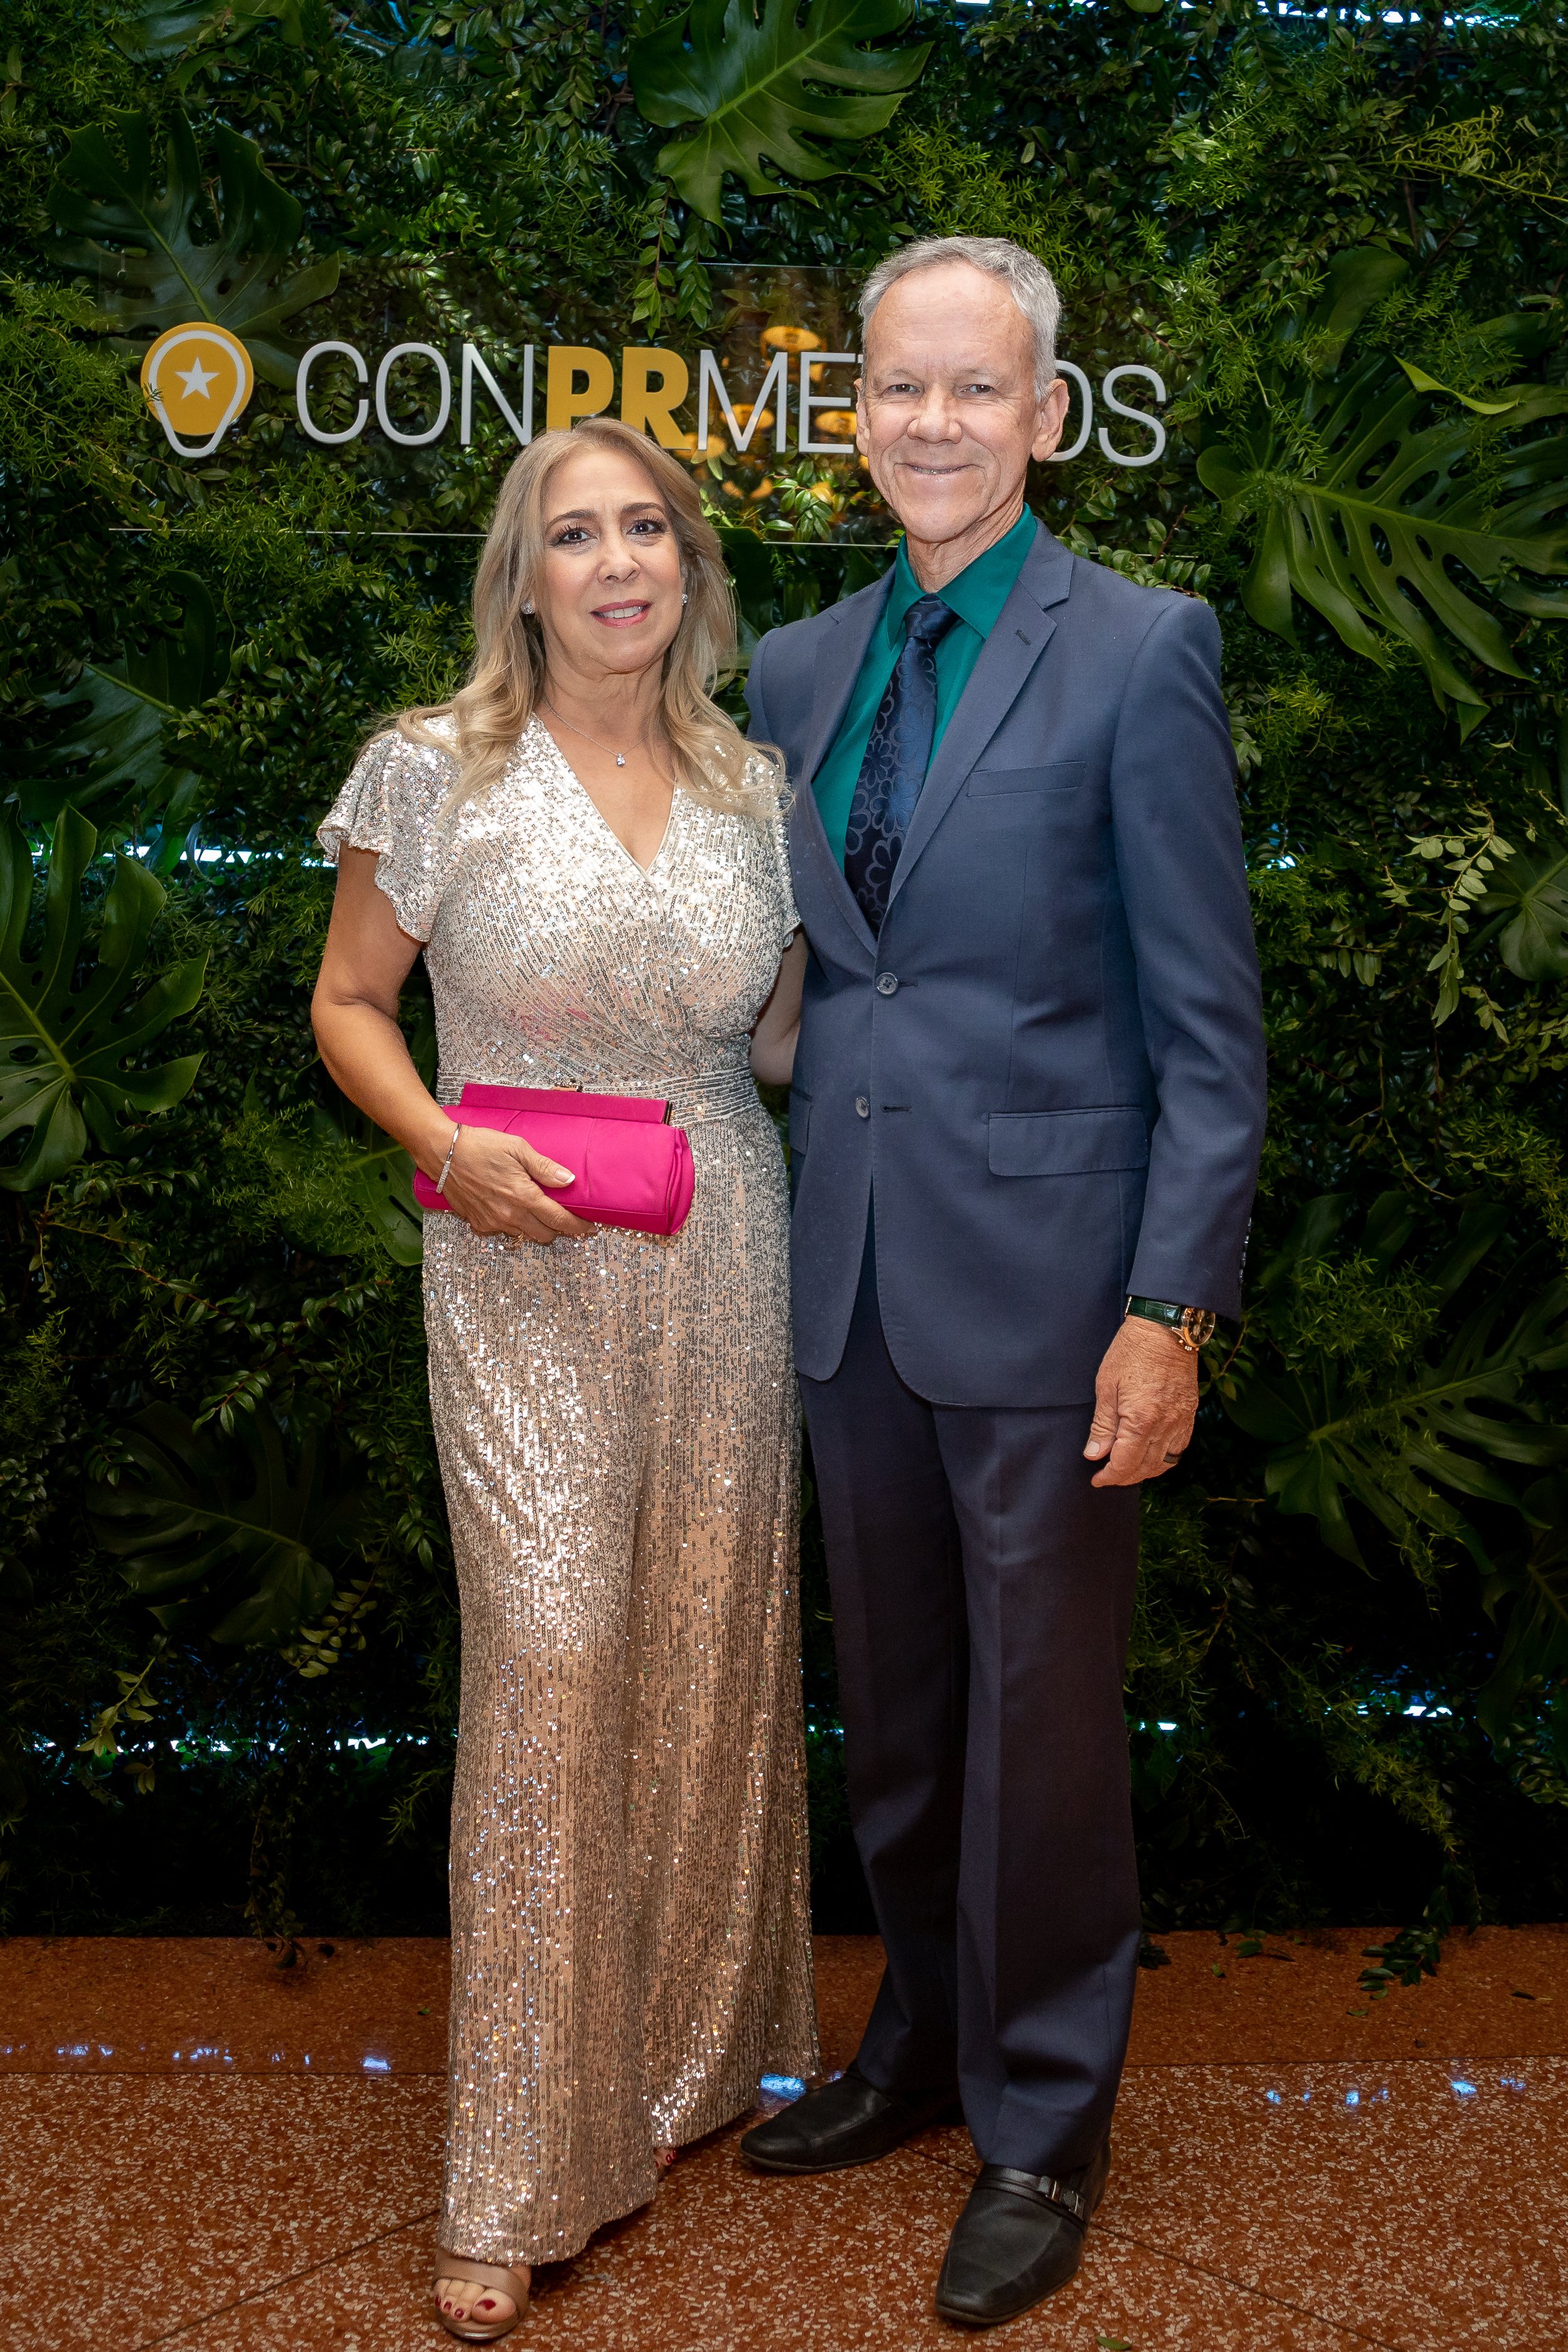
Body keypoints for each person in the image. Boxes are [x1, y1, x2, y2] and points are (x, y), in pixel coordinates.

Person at [738, 236, 1267, 2327]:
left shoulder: (1139, 651)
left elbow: (1208, 1030)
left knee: (1041, 1728)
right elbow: (805, 989)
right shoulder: (794, 669)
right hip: (848, 1278)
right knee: (897, 1715)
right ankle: (921, 2044)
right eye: (897, 387)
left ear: (1046, 415)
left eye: (974, 388)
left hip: (1058, 1295)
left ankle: (1043, 2120)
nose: (931, 422)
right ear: (850, 413)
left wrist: (1171, 1310)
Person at [311, 415, 818, 2343]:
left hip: (724, 1256)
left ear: (690, 563)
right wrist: (440, 1142)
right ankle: (517, 2164)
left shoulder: (756, 787)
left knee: (700, 1662)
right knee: (550, 1670)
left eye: (647, 530)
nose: (617, 564)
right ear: (520, 578)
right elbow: (349, 1001)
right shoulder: (433, 765)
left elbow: (777, 1048)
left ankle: (678, 2073)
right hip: (518, 1268)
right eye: (574, 534)